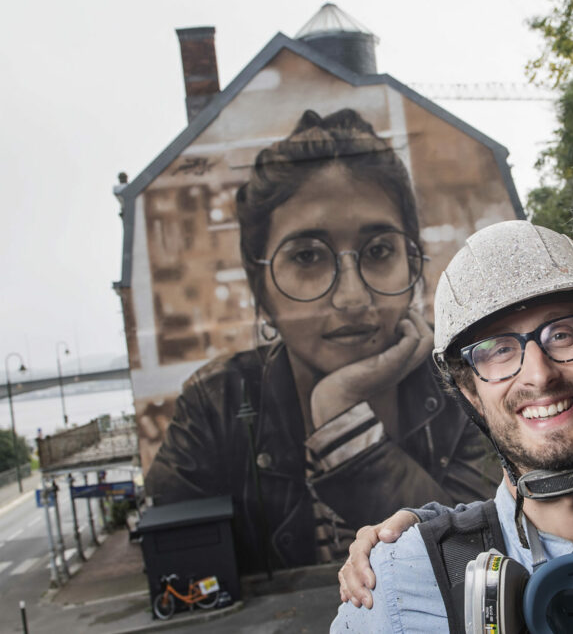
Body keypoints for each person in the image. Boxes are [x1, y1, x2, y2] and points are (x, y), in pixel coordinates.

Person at [144, 108, 500, 572]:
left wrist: (341, 418)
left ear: (413, 266)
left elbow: (479, 560)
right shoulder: (215, 407)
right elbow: (183, 576)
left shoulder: (466, 383)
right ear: (261, 287)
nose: (352, 297)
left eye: (379, 251)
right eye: (308, 256)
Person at [330, 220, 573, 633]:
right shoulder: (400, 581)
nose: (539, 375)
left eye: (563, 334)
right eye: (498, 350)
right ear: (468, 389)